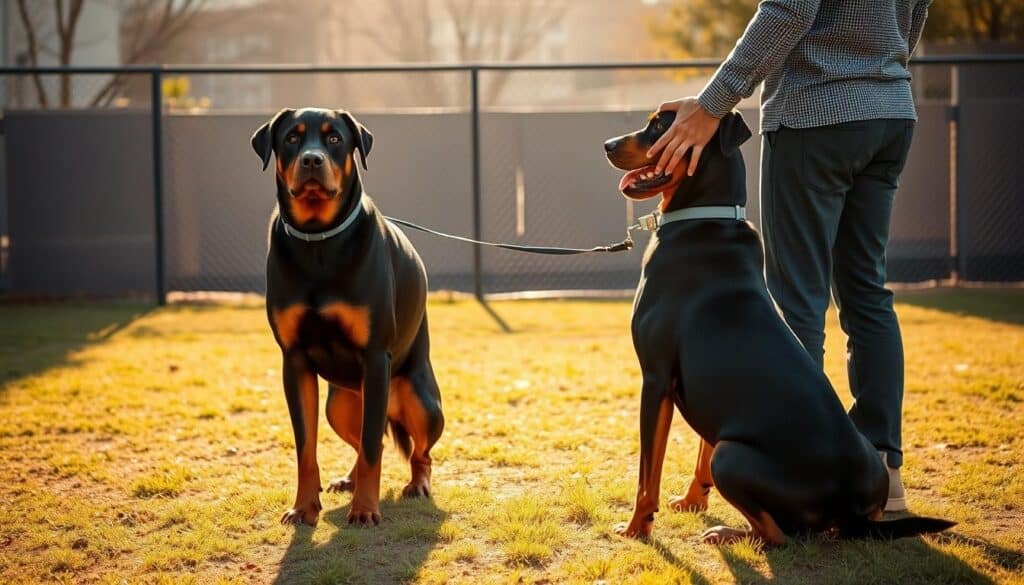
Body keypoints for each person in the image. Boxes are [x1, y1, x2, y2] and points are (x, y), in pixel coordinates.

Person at [645, 0, 932, 512]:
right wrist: (878, 70)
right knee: (867, 293)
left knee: (796, 300)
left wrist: (713, 104)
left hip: (814, 114)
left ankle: (797, 470)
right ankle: (882, 476)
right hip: (889, 112)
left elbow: (788, 10)